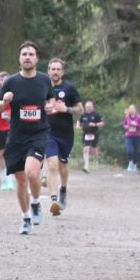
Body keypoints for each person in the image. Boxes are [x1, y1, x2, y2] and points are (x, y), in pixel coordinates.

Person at [0, 41, 56, 235]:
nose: (27, 57)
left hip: (38, 133)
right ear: (20, 59)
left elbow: (51, 98)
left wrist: (49, 106)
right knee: (20, 182)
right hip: (16, 136)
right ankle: (26, 218)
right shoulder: (11, 82)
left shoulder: (45, 80)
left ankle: (36, 202)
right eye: (24, 54)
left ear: (37, 58)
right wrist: (4, 101)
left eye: (31, 54)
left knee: (31, 173)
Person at [45, 58, 83, 216]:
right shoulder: (42, 87)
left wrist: (65, 109)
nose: (55, 72)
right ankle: (54, 201)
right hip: (47, 132)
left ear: (62, 72)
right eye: (52, 69)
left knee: (62, 166)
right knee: (52, 165)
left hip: (65, 134)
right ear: (48, 71)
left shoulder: (69, 88)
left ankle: (63, 189)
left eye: (58, 69)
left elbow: (80, 110)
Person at [77, 100, 104, 171]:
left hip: (94, 133)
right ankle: (86, 164)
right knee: (86, 148)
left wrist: (95, 124)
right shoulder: (83, 114)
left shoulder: (96, 114)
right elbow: (79, 121)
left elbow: (102, 123)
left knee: (94, 149)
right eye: (86, 107)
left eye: (89, 107)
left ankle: (95, 161)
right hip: (86, 133)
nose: (88, 108)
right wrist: (78, 126)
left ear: (92, 107)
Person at [123, 104, 140, 172]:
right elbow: (124, 125)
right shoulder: (127, 117)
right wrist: (127, 127)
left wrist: (136, 125)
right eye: (130, 109)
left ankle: (134, 165)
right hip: (129, 136)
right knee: (130, 150)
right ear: (129, 110)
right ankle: (130, 163)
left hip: (137, 137)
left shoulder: (139, 117)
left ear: (135, 110)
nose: (131, 110)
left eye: (133, 109)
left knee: (136, 152)